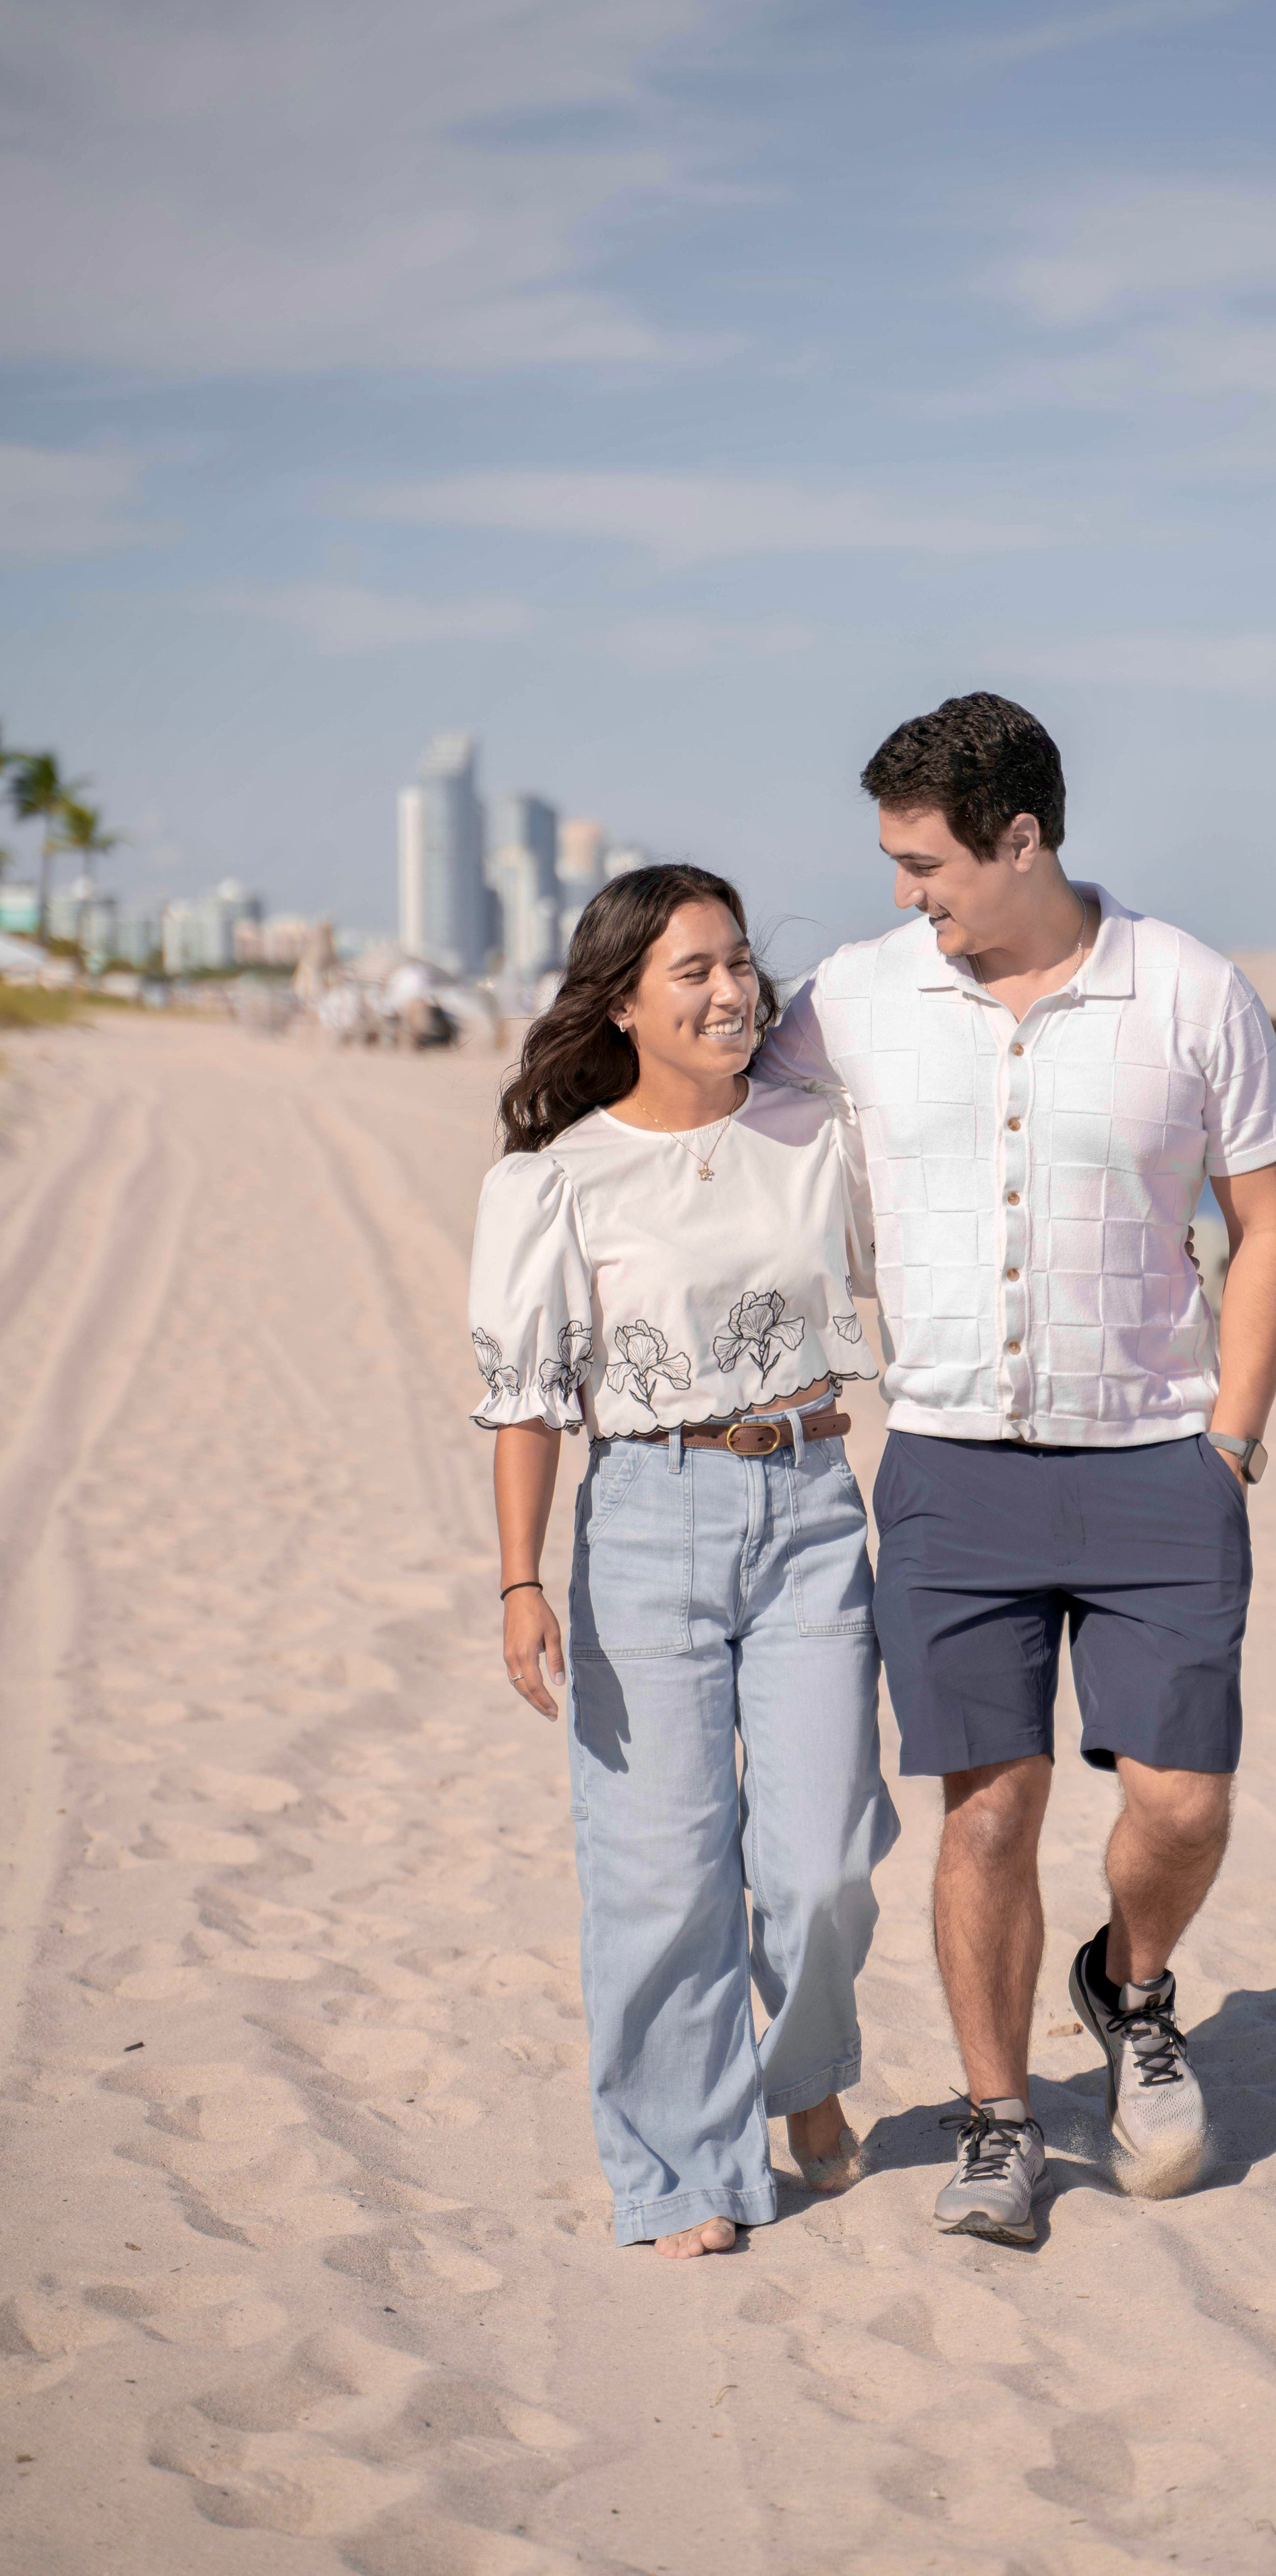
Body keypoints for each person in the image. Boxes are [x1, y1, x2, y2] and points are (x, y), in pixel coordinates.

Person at [757, 694, 1276, 2245]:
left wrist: (1232, 1437)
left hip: (1156, 1464)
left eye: (923, 861)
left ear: (1019, 838)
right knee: (985, 1811)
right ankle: (1001, 2117)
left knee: (1183, 1802)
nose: (901, 893)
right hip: (949, 1466)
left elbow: (1267, 1224)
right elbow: (714, 1097)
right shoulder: (854, 997)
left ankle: (1129, 1991)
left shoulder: (1190, 990)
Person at [467, 865, 899, 2259]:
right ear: (622, 1006)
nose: (730, 992)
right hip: (646, 1519)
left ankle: (807, 2071)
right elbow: (526, 1394)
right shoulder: (554, 1179)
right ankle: (677, 2169)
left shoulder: (819, 1133)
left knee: (822, 1857)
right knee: (661, 1871)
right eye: (692, 974)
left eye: (736, 963)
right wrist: (518, 1577)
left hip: (814, 1500)